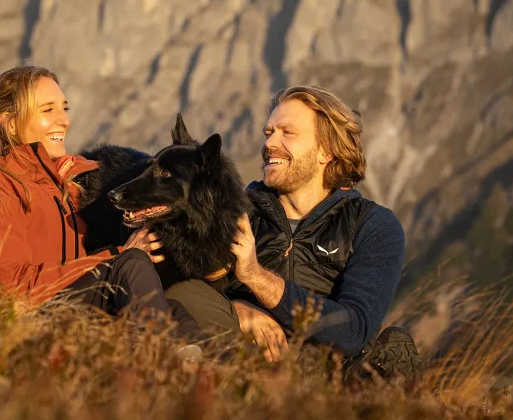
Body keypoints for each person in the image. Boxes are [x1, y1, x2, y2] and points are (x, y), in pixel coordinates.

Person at [166, 85, 421, 381]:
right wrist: (238, 308)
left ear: (327, 150)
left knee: (395, 348)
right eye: (268, 132)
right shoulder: (236, 212)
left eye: (287, 133)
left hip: (331, 379)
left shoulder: (373, 225)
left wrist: (257, 277)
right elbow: (190, 283)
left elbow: (354, 330)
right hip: (248, 359)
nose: (269, 144)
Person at [0, 65, 205, 347]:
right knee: (130, 265)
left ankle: (220, 380)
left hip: (62, 305)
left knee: (173, 313)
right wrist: (117, 254)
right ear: (11, 123)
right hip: (12, 326)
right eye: (48, 110)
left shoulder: (61, 182)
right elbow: (13, 296)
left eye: (64, 108)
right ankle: (159, 372)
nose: (64, 120)